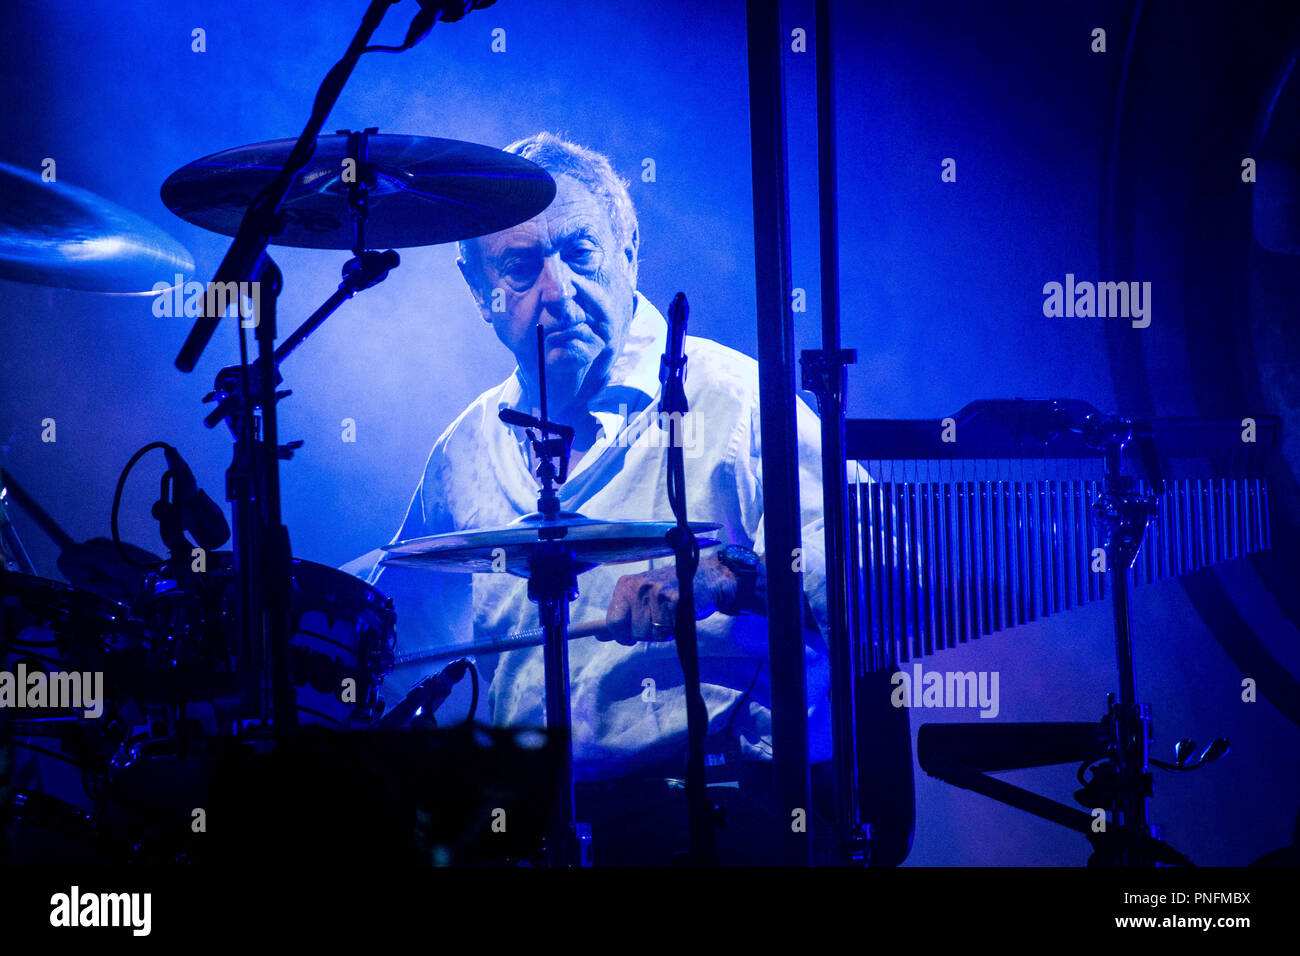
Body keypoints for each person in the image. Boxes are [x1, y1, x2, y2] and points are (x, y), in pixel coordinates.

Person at [344, 132, 834, 863]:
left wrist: (728, 576)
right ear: (479, 289)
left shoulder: (736, 403)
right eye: (520, 266)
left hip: (718, 814)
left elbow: (880, 568)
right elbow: (396, 637)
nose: (557, 291)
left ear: (628, 248)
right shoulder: (465, 448)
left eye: (579, 253)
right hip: (524, 822)